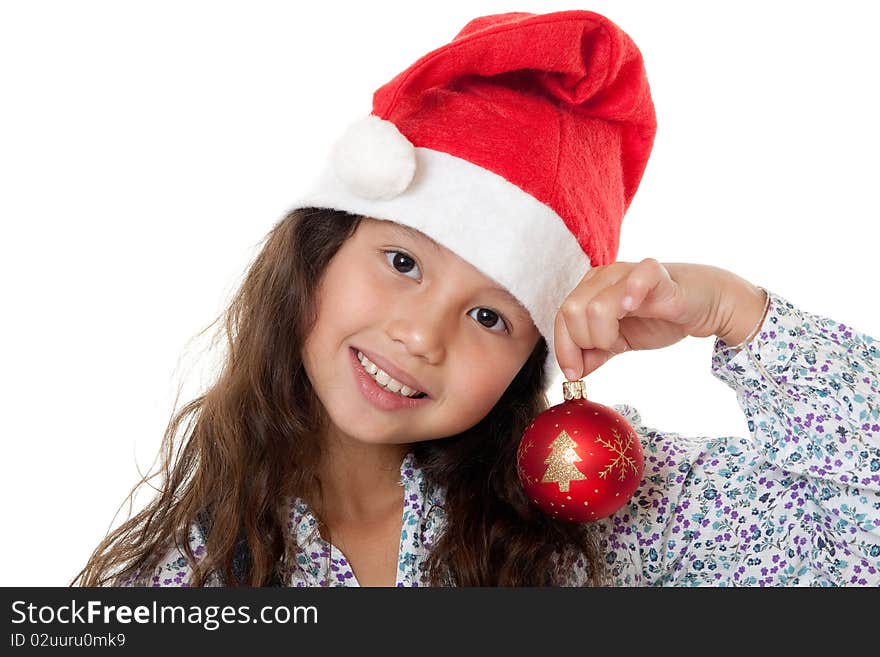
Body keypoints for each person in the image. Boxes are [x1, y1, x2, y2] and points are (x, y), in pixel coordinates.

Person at [73, 9, 880, 588]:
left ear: (532, 357)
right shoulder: (177, 582)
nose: (423, 334)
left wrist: (735, 311)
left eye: (491, 316)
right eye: (401, 259)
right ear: (319, 249)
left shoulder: (601, 511)